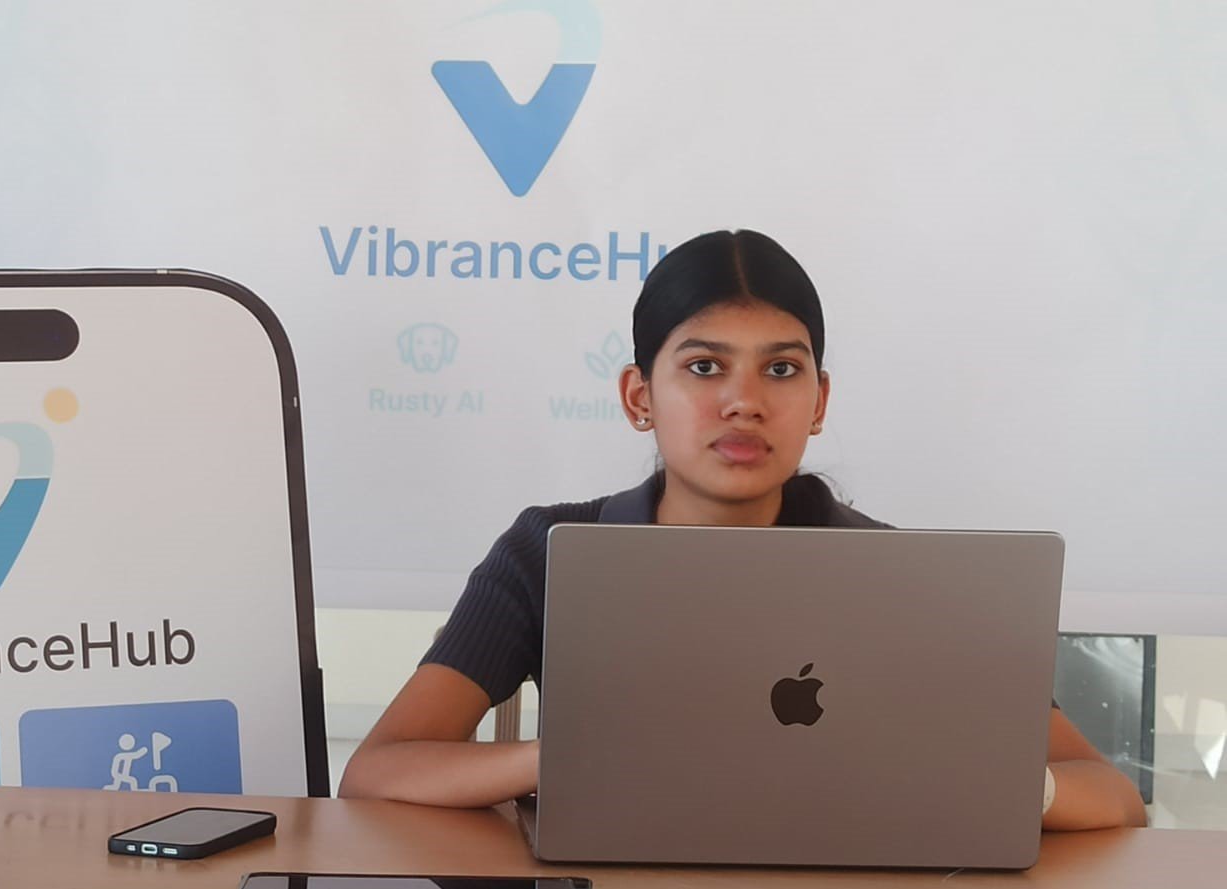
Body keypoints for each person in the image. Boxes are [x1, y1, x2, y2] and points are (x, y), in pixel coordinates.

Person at [337, 230, 1147, 831]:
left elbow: (1110, 795)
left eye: (781, 369)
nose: (744, 401)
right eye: (703, 366)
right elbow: (378, 769)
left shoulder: (900, 573)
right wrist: (561, 763)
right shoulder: (546, 551)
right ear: (638, 396)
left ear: (818, 401)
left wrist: (993, 787)